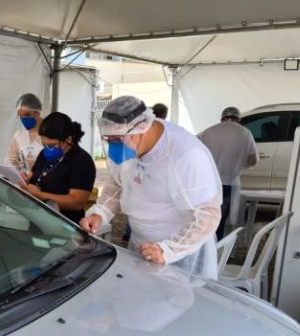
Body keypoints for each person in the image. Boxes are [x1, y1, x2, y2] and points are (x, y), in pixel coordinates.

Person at [80, 95, 222, 279]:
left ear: (141, 128)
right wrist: (100, 212)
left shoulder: (186, 154)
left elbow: (208, 214)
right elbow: (118, 183)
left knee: (182, 296)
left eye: (118, 139)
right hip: (142, 246)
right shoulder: (129, 146)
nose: (114, 147)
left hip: (180, 254)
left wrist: (168, 250)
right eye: (109, 140)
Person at [21, 112, 96, 224]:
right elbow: (36, 178)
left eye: (52, 145)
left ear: (68, 139)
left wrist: (40, 196)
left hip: (65, 225)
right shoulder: (44, 154)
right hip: (38, 220)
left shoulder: (82, 161)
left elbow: (77, 202)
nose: (47, 149)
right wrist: (27, 180)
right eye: (44, 144)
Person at [198, 106, 258, 239]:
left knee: (204, 218)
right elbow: (253, 160)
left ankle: (203, 245)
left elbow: (195, 152)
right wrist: (241, 165)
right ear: (238, 119)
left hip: (207, 182)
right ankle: (217, 246)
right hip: (229, 183)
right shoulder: (245, 132)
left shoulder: (209, 131)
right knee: (220, 220)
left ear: (222, 119)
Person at [6, 93, 44, 176]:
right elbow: (11, 159)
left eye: (27, 114)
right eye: (20, 116)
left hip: (43, 181)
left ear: (37, 113)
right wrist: (14, 170)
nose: (23, 119)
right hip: (23, 180)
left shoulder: (50, 133)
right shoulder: (19, 135)